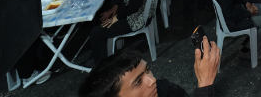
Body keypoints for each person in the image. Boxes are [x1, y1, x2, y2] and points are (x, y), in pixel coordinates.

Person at [78, 45, 219, 97]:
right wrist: (205, 84)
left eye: (148, 70)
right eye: (138, 82)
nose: (152, 80)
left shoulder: (163, 89)